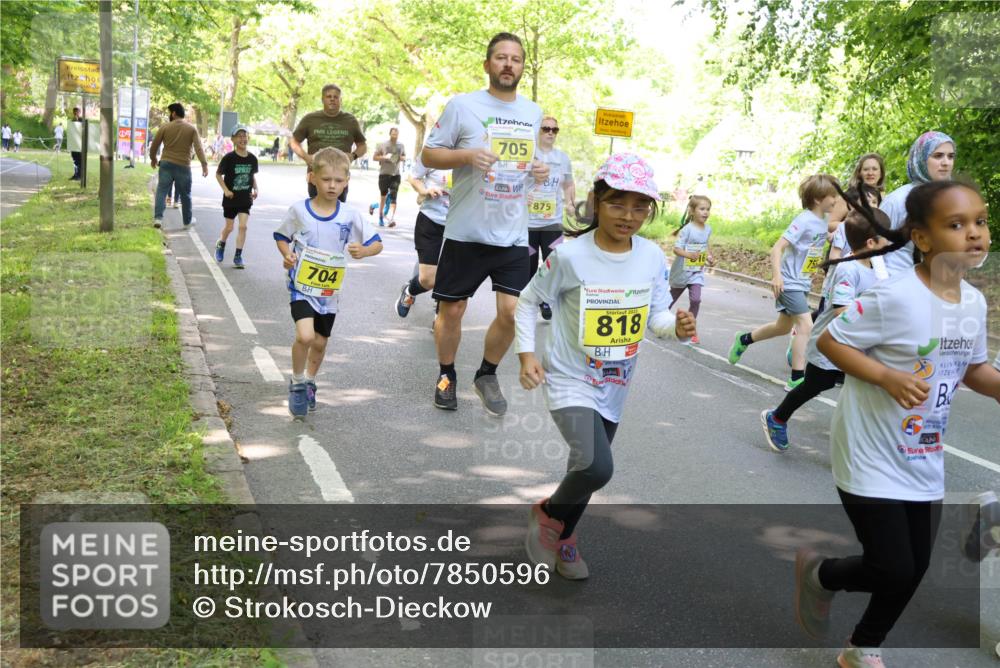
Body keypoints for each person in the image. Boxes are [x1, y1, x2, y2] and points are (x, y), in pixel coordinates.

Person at [795, 180, 998, 668]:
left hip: (923, 453)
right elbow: (831, 342)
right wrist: (886, 376)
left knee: (914, 567)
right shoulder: (895, 296)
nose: (974, 233)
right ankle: (822, 575)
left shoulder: (973, 303)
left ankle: (861, 647)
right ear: (922, 238)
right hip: (869, 450)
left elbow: (974, 369)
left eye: (980, 221)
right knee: (893, 566)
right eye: (957, 224)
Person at [516, 153, 697, 579]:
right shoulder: (570, 256)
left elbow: (657, 317)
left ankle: (565, 537)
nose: (628, 216)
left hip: (616, 382)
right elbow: (527, 301)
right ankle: (548, 515)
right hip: (569, 377)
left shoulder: (650, 256)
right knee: (597, 467)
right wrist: (527, 354)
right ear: (596, 201)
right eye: (617, 203)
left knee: (583, 467)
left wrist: (677, 327)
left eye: (640, 206)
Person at [421, 32, 550, 415]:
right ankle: (446, 374)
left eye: (516, 59)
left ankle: (486, 373)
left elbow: (524, 163)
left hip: (512, 233)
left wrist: (538, 170)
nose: (509, 64)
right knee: (452, 312)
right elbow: (429, 155)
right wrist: (466, 156)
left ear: (522, 67)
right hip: (466, 231)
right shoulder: (463, 106)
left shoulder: (532, 112)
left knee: (513, 312)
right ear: (487, 64)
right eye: (501, 57)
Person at [761, 206, 890, 452]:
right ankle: (777, 417)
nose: (890, 242)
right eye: (886, 237)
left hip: (857, 345)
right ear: (872, 243)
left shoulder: (878, 269)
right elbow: (843, 311)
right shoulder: (848, 268)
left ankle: (859, 442)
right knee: (815, 384)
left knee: (863, 389)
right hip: (830, 342)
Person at [273, 147, 383, 419]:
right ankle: (297, 382)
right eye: (326, 179)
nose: (332, 186)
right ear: (312, 178)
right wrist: (287, 255)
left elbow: (376, 243)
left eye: (338, 180)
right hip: (301, 286)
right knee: (305, 336)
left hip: (328, 292)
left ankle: (311, 380)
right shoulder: (299, 210)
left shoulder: (349, 215)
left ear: (347, 182)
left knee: (320, 343)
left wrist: (364, 251)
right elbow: (282, 236)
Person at [728, 174, 840, 390]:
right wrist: (777, 276)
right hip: (789, 282)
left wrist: (835, 236)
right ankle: (797, 377)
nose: (836, 200)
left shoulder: (823, 220)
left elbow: (817, 239)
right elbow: (777, 248)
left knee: (783, 327)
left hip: (802, 281)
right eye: (832, 196)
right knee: (806, 325)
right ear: (818, 199)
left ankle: (744, 339)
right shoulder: (803, 220)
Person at [880, 131, 955, 276]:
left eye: (950, 156)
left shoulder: (954, 199)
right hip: (899, 282)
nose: (946, 162)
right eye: (938, 156)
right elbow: (873, 247)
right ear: (921, 158)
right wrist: (884, 282)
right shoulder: (898, 199)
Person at [526, 115, 574, 321]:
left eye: (555, 130)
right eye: (546, 128)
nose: (550, 133)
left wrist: (570, 203)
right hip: (527, 223)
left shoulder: (562, 158)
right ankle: (529, 300)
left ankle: (545, 299)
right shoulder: (528, 154)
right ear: (538, 131)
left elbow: (568, 183)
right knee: (528, 264)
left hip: (552, 222)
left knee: (552, 262)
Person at [395, 152, 451, 320]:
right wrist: (425, 190)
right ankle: (410, 290)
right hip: (431, 219)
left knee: (450, 271)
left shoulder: (476, 152)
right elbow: (413, 177)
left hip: (460, 224)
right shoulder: (434, 149)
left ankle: (440, 315)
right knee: (428, 279)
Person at [290, 84, 367, 201]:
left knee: (339, 209)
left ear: (340, 100)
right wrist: (307, 158)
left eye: (336, 97)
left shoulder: (350, 121)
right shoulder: (310, 119)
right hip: (317, 174)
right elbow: (293, 141)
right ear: (322, 99)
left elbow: (363, 146)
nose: (332, 99)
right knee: (315, 208)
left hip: (340, 176)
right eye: (328, 96)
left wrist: (353, 156)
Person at [149, 103, 208, 229]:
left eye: (170, 112)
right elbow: (198, 148)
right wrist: (204, 164)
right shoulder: (191, 129)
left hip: (166, 164)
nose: (169, 115)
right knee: (185, 194)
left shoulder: (165, 127)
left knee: (162, 190)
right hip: (183, 165)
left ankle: (158, 218)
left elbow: (154, 145)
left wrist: (153, 158)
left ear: (174, 113)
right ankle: (187, 222)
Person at [668, 195, 713, 344]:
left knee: (696, 299)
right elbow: (676, 249)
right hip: (682, 271)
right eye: (702, 209)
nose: (705, 212)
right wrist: (689, 255)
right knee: (670, 299)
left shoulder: (708, 229)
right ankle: (659, 318)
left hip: (696, 272)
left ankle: (690, 330)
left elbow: (705, 245)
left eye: (708, 209)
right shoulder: (687, 230)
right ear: (692, 211)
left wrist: (709, 257)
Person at [214, 126, 259, 269]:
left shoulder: (252, 159)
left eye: (244, 136)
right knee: (229, 227)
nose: (242, 139)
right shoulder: (229, 158)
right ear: (233, 139)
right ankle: (221, 243)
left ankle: (238, 256)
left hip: (245, 198)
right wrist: (226, 190)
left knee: (243, 226)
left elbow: (251, 176)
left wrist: (256, 188)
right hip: (231, 199)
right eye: (239, 136)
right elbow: (218, 175)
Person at [373, 127, 406, 227]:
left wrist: (400, 158)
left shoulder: (401, 145)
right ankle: (380, 217)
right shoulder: (383, 144)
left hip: (396, 174)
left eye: (396, 134)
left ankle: (391, 219)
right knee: (383, 197)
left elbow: (404, 156)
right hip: (384, 174)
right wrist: (385, 157)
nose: (394, 135)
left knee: (393, 198)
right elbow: (374, 157)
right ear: (390, 134)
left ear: (398, 135)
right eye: (393, 134)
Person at [69, 108, 82, 180]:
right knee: (75, 160)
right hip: (73, 144)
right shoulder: (72, 121)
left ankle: (79, 175)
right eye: (74, 112)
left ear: (79, 112)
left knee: (79, 160)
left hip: (80, 145)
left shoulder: (82, 120)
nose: (75, 113)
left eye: (77, 112)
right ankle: (75, 174)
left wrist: (77, 120)